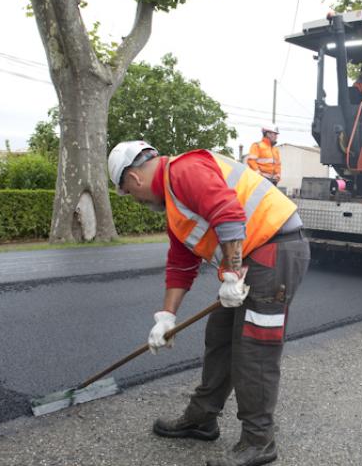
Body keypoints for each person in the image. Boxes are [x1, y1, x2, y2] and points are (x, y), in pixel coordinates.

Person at [107, 140, 309, 466]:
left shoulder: (185, 170)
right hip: (253, 256)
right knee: (220, 336)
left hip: (275, 250)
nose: (136, 200)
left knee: (255, 349)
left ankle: (259, 441)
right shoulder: (175, 204)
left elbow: (229, 214)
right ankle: (202, 417)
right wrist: (166, 317)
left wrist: (231, 275)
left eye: (130, 193)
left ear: (134, 178)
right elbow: (180, 264)